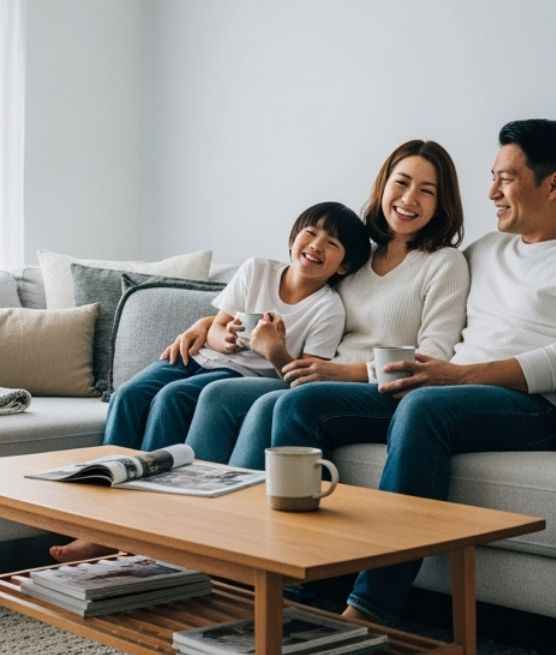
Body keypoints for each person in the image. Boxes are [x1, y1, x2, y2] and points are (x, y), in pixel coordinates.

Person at [267, 119, 556, 626]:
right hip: (443, 391)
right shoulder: (484, 251)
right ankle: (284, 586)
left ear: (554, 184)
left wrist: (459, 376)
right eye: (493, 177)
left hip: (529, 408)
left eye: (506, 178)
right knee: (301, 404)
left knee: (424, 407)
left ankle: (371, 610)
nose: (492, 192)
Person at [47, 201, 371, 562]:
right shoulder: (257, 270)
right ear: (293, 238)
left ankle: (142, 522)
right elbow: (216, 328)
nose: (316, 245)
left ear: (343, 266)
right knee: (128, 396)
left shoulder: (327, 309)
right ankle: (97, 522)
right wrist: (226, 339)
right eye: (310, 233)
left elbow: (305, 379)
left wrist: (273, 349)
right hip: (197, 357)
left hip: (241, 374)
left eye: (332, 243)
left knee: (174, 398)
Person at [172, 139, 471, 467]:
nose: (409, 198)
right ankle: (197, 494)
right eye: (401, 182)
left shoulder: (445, 263)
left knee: (273, 403)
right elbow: (302, 300)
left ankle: (238, 497)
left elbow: (434, 358)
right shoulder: (356, 258)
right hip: (320, 378)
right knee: (221, 395)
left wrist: (347, 373)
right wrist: (208, 324)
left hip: (382, 392)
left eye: (426, 191)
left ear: (441, 204)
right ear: (383, 186)